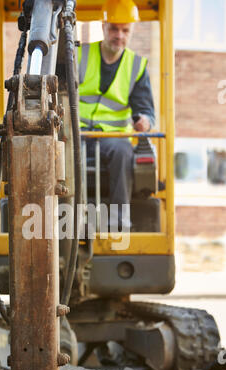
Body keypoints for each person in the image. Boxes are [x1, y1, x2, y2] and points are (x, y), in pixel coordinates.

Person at [78, 0, 155, 230]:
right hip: (76, 133)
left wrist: (145, 121)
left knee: (124, 151)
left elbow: (146, 110)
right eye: (114, 28)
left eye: (125, 30)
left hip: (112, 140)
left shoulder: (137, 66)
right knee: (60, 149)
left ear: (131, 32)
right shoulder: (79, 54)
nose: (119, 35)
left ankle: (119, 221)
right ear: (103, 26)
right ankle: (68, 218)